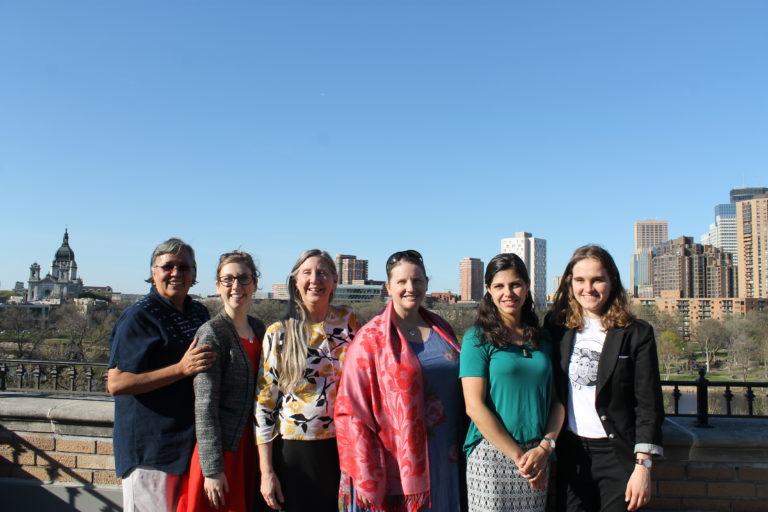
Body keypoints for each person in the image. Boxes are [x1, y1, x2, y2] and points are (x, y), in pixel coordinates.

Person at [336, 249, 463, 512]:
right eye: (402, 282)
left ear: (427, 283)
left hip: (446, 454)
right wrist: (367, 472)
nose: (410, 288)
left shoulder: (442, 329)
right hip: (398, 464)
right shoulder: (370, 339)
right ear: (388, 287)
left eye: (417, 281)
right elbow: (351, 410)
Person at [545, 245, 664, 512]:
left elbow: (649, 403)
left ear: (611, 281)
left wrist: (643, 466)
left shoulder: (635, 333)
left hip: (617, 454)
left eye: (597, 279)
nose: (588, 288)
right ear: (569, 283)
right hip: (572, 453)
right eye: (580, 280)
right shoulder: (557, 327)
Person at [108, 238, 214, 512]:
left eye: (184, 267)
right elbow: (117, 382)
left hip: (188, 446)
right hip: (150, 450)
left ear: (194, 274)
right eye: (168, 266)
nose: (176, 273)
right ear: (153, 272)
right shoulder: (139, 317)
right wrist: (180, 369)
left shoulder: (197, 312)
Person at [255, 249, 360, 512]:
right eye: (307, 273)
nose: (315, 279)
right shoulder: (278, 333)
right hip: (295, 450)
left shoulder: (348, 322)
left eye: (323, 273)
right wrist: (266, 473)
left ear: (334, 281)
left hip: (345, 445)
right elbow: (264, 405)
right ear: (295, 282)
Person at [459, 253, 564, 512]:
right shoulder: (477, 339)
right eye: (499, 286)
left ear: (527, 287)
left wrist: (544, 448)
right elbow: (474, 406)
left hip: (537, 454)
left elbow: (557, 402)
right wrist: (519, 458)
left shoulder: (542, 339)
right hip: (492, 455)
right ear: (489, 291)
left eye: (515, 284)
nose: (509, 293)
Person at [177, 251, 269, 512]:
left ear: (254, 283)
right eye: (227, 279)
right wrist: (213, 469)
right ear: (218, 286)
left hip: (251, 448)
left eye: (243, 278)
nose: (236, 286)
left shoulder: (259, 329)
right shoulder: (212, 333)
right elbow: (205, 406)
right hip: (223, 453)